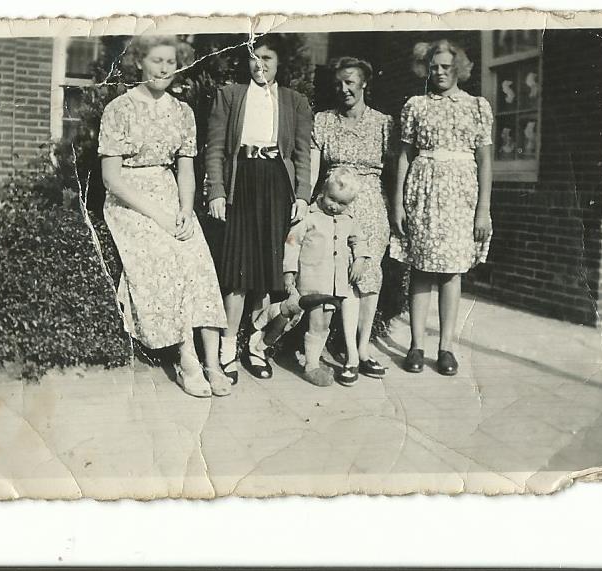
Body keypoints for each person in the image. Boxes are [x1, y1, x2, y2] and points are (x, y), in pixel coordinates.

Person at [98, 36, 230, 398]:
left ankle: (213, 364)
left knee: (199, 261)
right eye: (156, 61)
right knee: (167, 260)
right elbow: (112, 178)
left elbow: (186, 170)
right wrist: (156, 213)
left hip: (171, 196)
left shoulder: (183, 111)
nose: (163, 69)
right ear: (139, 62)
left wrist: (186, 211)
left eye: (170, 63)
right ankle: (188, 361)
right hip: (131, 200)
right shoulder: (119, 109)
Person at [205, 34, 312, 384]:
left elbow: (301, 154)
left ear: (279, 62)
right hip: (241, 183)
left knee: (266, 274)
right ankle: (226, 350)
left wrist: (301, 195)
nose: (259, 64)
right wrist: (217, 192)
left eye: (267, 57)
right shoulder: (230, 95)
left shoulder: (293, 101)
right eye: (253, 57)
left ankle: (254, 346)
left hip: (275, 186)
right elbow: (216, 148)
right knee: (237, 271)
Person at [391, 40, 493, 376]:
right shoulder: (416, 106)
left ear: (459, 69)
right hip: (422, 193)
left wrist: (483, 210)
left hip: (461, 197)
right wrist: (398, 203)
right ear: (426, 68)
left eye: (447, 66)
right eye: (434, 66)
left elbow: (485, 161)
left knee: (452, 271)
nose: (440, 72)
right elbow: (405, 156)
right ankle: (416, 345)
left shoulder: (476, 106)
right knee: (421, 269)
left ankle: (446, 347)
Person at [310, 56, 395, 382]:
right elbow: (315, 169)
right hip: (335, 208)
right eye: (338, 83)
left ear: (363, 84)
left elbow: (393, 170)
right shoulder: (323, 120)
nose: (343, 88)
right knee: (343, 280)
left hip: (372, 206)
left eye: (350, 81)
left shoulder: (383, 123)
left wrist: (395, 208)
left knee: (369, 277)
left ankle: (363, 348)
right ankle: (348, 354)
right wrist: (307, 202)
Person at [283, 168, 370, 387]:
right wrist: (289, 272)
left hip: (334, 283)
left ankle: (311, 362)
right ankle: (301, 361)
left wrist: (359, 259)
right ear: (323, 190)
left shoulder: (347, 218)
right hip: (312, 280)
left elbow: (359, 240)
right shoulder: (310, 217)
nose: (334, 206)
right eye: (331, 199)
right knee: (303, 319)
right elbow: (292, 243)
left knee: (323, 323)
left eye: (342, 203)